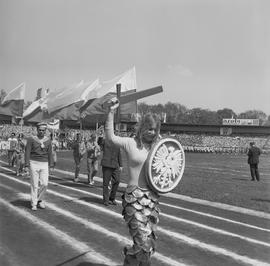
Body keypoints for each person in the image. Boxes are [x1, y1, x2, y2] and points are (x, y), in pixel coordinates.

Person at [103, 97, 161, 266]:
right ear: (142, 127)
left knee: (147, 246)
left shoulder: (158, 147)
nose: (152, 132)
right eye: (149, 128)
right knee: (142, 242)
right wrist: (111, 112)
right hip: (133, 199)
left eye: (155, 129)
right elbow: (110, 138)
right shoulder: (130, 143)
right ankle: (130, 258)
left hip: (151, 201)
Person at [25, 122, 53, 211]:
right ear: (37, 130)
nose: (41, 132)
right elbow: (27, 152)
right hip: (33, 162)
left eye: (43, 130)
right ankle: (34, 203)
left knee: (45, 183)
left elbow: (50, 153)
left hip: (44, 163)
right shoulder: (31, 139)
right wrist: (26, 164)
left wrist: (51, 164)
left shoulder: (48, 140)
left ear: (45, 131)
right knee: (34, 184)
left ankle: (40, 199)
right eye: (39, 130)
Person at [100, 134, 123, 206]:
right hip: (107, 165)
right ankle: (106, 200)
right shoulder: (105, 141)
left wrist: (121, 165)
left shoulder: (117, 143)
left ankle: (112, 198)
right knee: (106, 184)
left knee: (117, 180)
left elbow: (119, 154)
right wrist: (101, 136)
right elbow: (100, 143)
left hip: (115, 165)